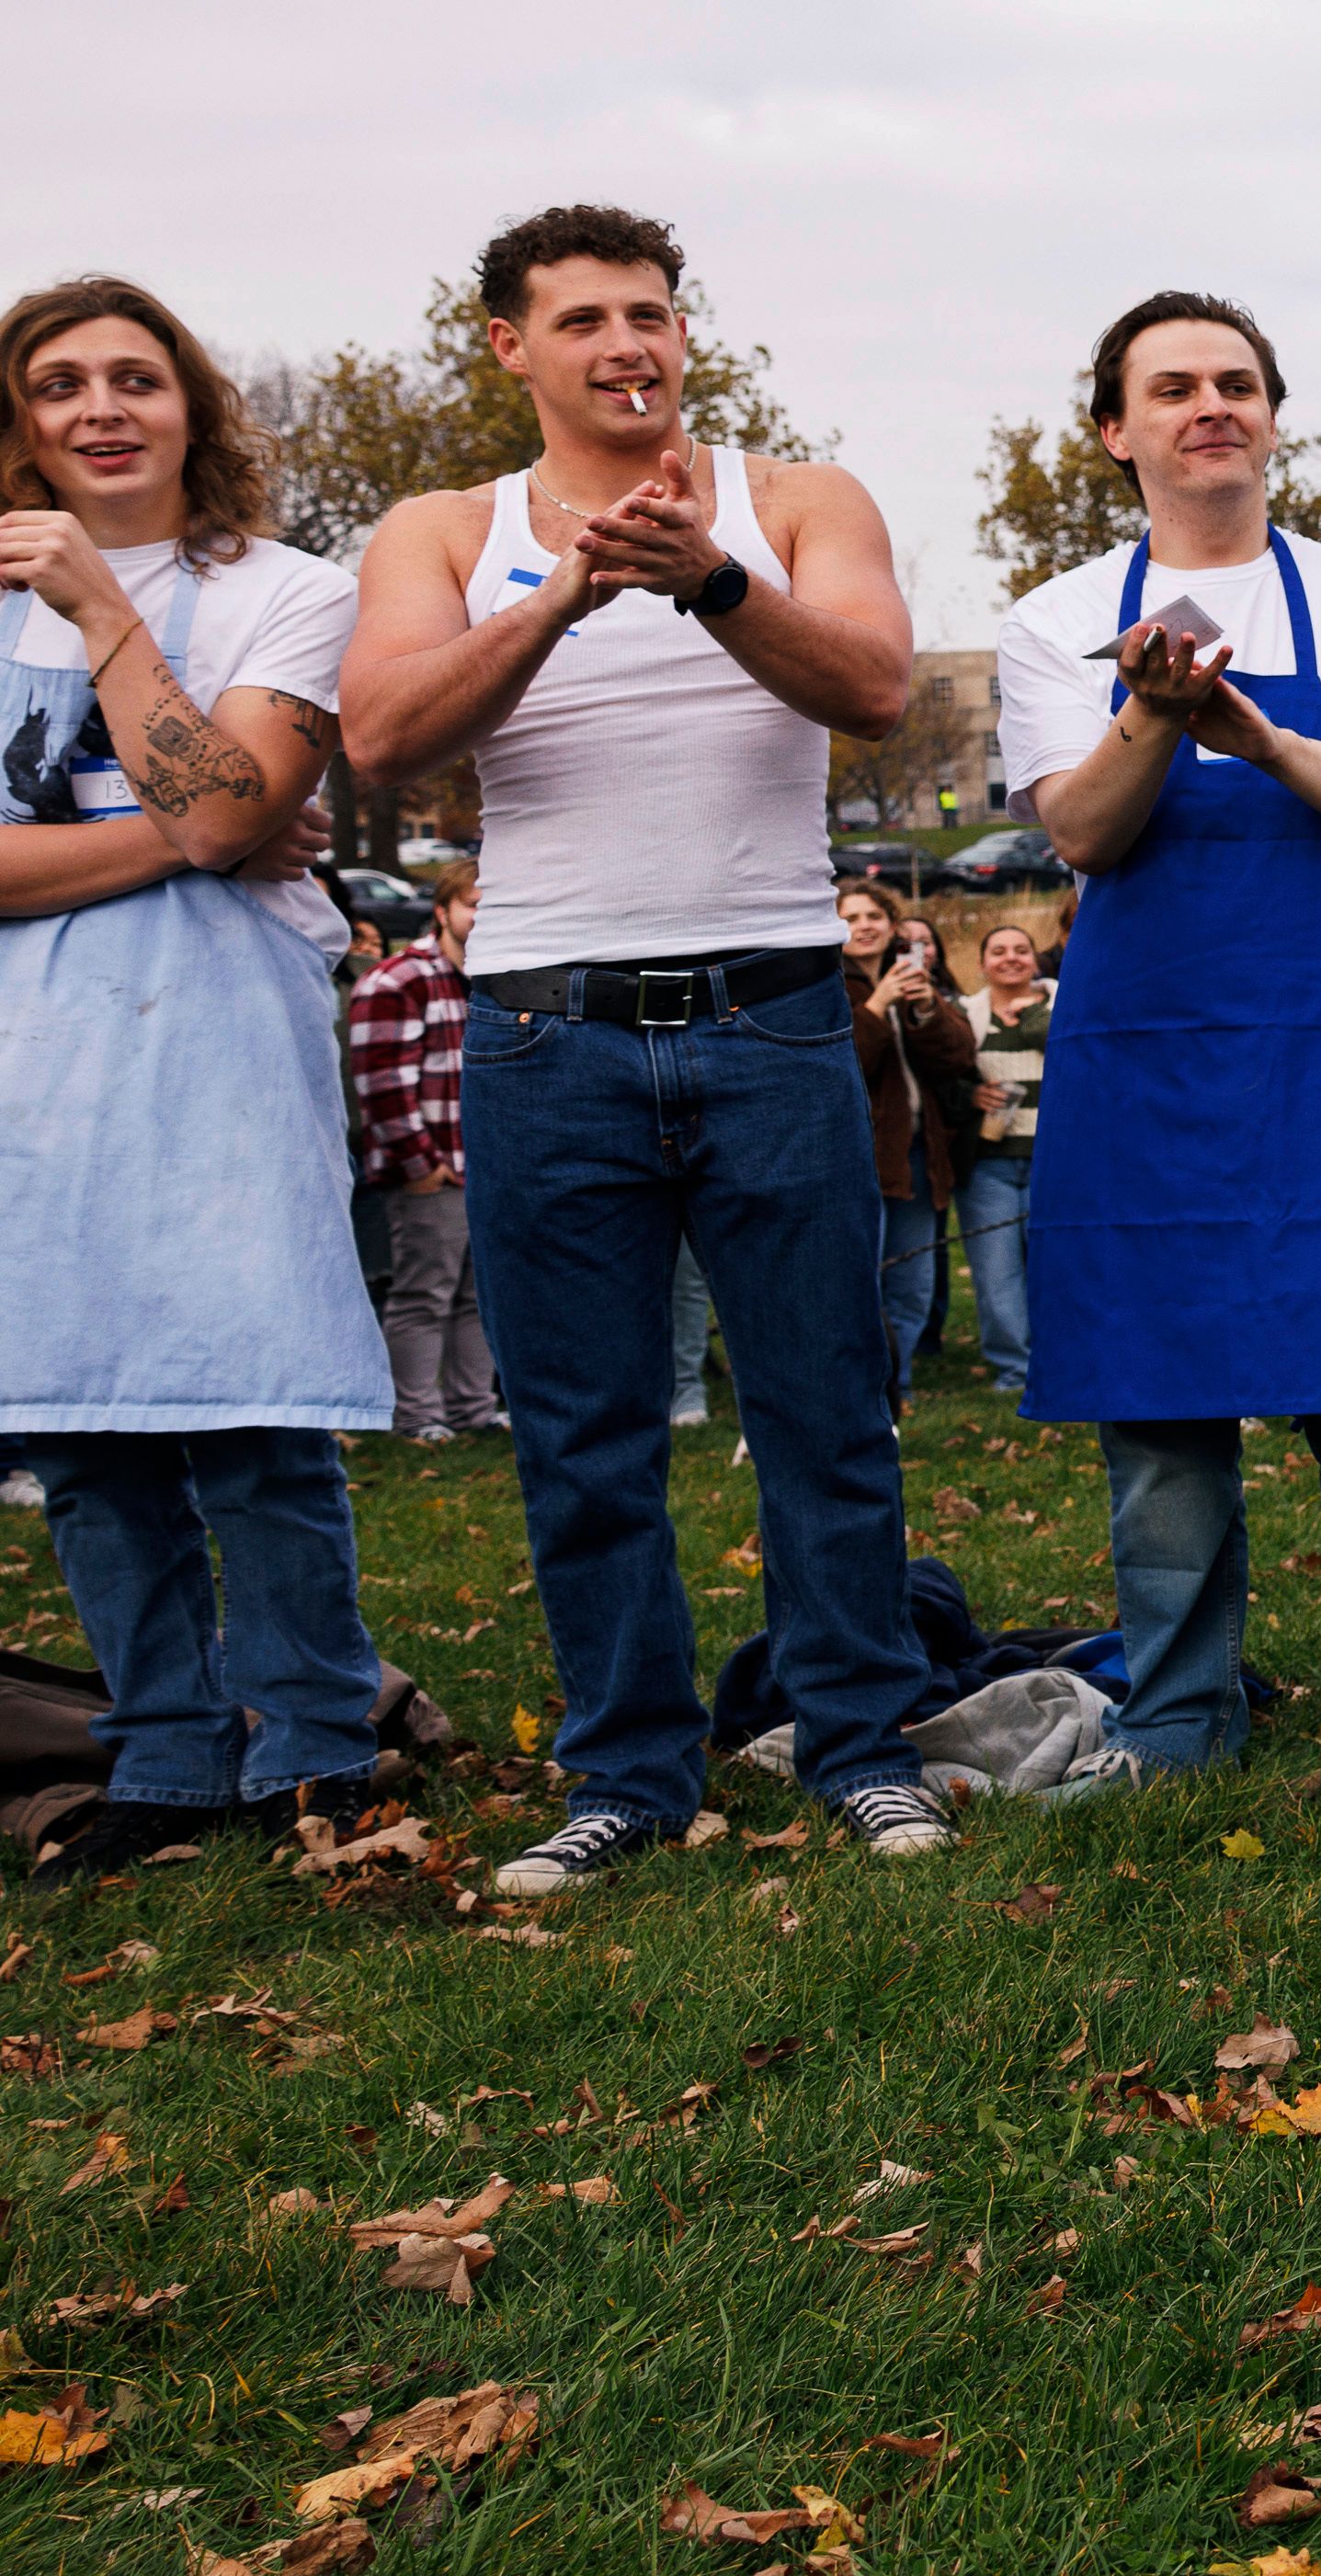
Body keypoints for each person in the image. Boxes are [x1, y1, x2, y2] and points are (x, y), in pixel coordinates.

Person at [342, 205, 959, 1894]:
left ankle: (858, 1741)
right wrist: (560, 593)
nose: (630, 343)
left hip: (770, 1016)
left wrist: (704, 574)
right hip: (547, 1035)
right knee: (582, 1427)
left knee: (827, 1406)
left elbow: (877, 685)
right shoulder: (442, 526)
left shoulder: (796, 500)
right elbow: (385, 733)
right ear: (509, 347)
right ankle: (624, 1766)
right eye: (588, 319)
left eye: (654, 313)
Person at [996, 296, 1321, 1820]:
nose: (1207, 405)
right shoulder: (1050, 615)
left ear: (1273, 414)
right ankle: (1174, 1717)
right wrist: (1159, 710)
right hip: (1150, 1059)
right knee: (1159, 1403)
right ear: (1117, 428)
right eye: (1172, 387)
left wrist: (1258, 734)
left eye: (1234, 382)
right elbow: (1082, 828)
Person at [2, 278, 395, 1879]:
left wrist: (108, 615)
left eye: (135, 378)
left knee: (254, 1414)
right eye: (60, 382)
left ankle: (313, 1738)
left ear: (192, 405)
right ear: (19, 419)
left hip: (219, 1039)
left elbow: (242, 819)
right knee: (80, 1423)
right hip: (31, 1064)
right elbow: (217, 814)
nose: (102, 407)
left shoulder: (287, 591)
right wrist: (188, 832)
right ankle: (164, 1744)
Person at [345, 865, 500, 1443]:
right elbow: (381, 1083)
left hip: (488, 1171)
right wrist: (421, 1167)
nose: (483, 918)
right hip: (431, 1171)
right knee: (421, 1296)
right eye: (473, 905)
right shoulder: (399, 981)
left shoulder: (500, 980)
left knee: (479, 1298)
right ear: (442, 912)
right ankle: (415, 1416)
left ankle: (472, 1409)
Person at [841, 880, 977, 1401]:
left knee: (913, 1282)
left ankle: (897, 1384)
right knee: (860, 1280)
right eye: (851, 918)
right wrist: (877, 1005)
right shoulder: (824, 985)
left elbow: (960, 1055)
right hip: (856, 1159)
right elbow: (844, 1065)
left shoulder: (915, 978)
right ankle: (862, 1389)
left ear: (893, 924)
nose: (864, 926)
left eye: (874, 915)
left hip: (919, 1155)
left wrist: (925, 1010)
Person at [955, 914, 1051, 1413]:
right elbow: (947, 1073)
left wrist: (1030, 1013)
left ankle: (1060, 1360)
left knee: (1054, 1268)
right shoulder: (966, 1014)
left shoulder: (1061, 1001)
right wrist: (972, 1094)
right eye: (999, 951)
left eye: (1020, 949)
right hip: (990, 1162)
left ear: (1034, 959)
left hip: (1054, 1162)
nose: (1011, 957)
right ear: (982, 964)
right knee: (997, 1272)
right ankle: (1016, 1368)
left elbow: (1063, 1049)